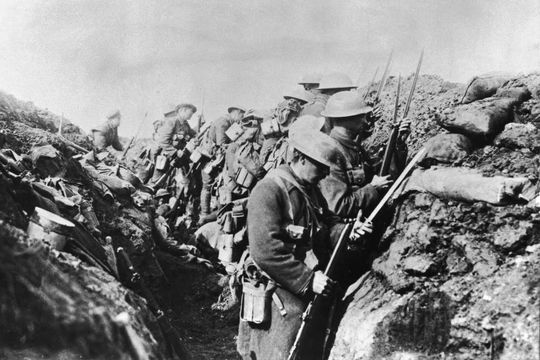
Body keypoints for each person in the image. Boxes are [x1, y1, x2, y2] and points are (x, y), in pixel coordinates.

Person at [237, 125, 371, 360]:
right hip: (277, 284)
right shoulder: (269, 190)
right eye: (319, 167)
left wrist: (348, 232)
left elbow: (326, 226)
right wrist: (307, 280)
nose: (324, 174)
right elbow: (265, 251)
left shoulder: (309, 190)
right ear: (300, 159)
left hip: (305, 281)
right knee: (280, 349)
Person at [198, 106, 246, 222]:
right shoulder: (223, 122)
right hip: (210, 160)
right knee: (207, 186)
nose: (241, 118)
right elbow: (222, 145)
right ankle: (204, 214)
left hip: (216, 158)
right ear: (236, 112)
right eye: (241, 115)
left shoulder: (229, 122)